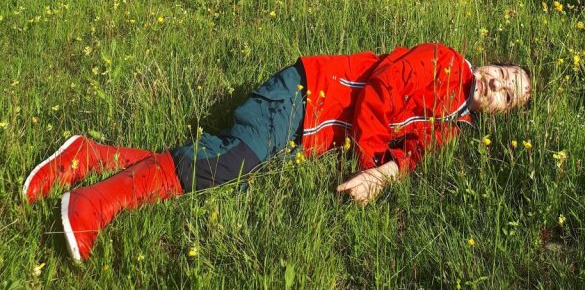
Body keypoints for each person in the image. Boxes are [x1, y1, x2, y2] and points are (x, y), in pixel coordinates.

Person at [23, 42, 531, 262]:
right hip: (303, 94)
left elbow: (414, 154)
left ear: (500, 114)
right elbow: (379, 90)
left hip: (305, 133)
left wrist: (384, 176)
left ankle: (90, 156)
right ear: (490, 62)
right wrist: (369, 164)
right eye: (504, 73)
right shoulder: (444, 64)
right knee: (233, 160)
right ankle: (96, 201)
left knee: (225, 157)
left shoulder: (455, 126)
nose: (499, 84)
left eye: (509, 94)